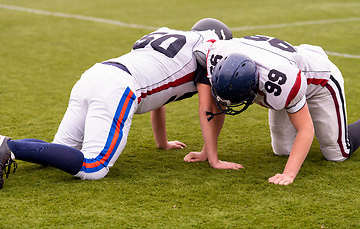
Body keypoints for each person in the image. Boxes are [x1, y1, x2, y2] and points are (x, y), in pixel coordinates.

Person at [0, 18, 240, 189]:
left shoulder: (173, 37)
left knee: (59, 152)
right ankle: (7, 145)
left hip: (95, 74)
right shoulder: (208, 48)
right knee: (94, 168)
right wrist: (213, 158)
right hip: (118, 86)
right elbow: (208, 107)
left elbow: (161, 96)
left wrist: (162, 143)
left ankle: (8, 145)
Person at [184, 35, 360, 185]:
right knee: (283, 150)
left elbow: (306, 129)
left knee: (336, 153)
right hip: (286, 69)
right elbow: (214, 109)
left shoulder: (280, 82)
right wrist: (207, 153)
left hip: (320, 80)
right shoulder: (217, 57)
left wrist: (288, 174)